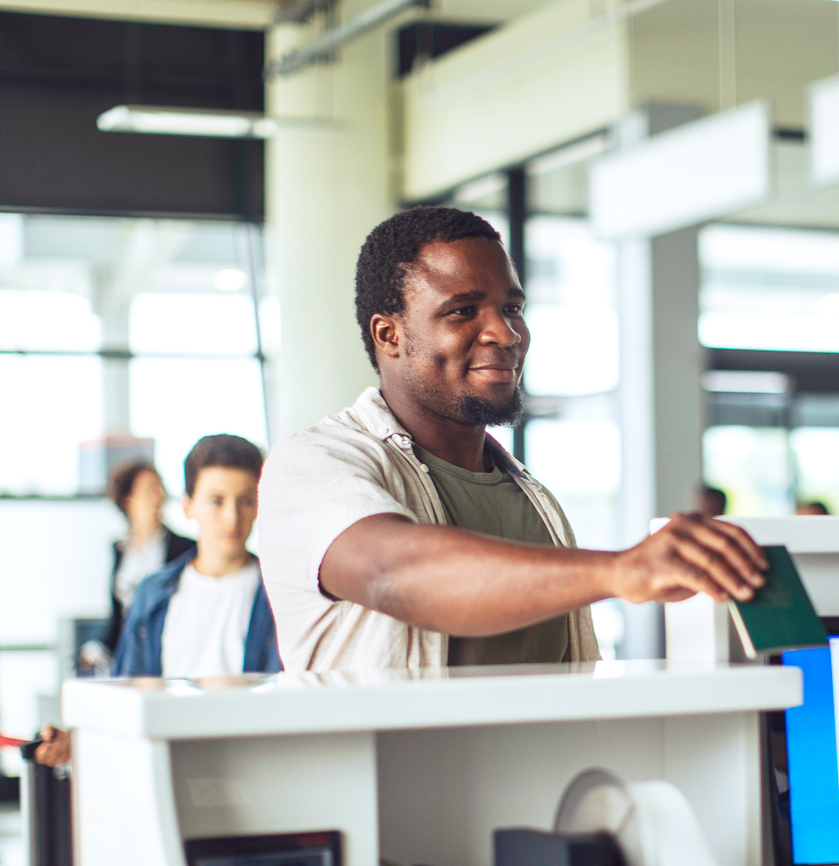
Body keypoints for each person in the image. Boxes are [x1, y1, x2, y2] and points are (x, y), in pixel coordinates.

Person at [257, 207, 765, 673]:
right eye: (462, 312)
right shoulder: (313, 465)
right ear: (388, 335)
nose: (505, 333)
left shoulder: (531, 498)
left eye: (512, 308)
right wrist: (620, 571)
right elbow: (393, 573)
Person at [35, 435, 280, 766]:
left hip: (250, 764)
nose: (232, 518)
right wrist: (76, 742)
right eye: (216, 500)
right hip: (165, 766)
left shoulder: (280, 592)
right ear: (188, 505)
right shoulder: (153, 594)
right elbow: (126, 690)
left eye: (246, 501)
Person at [91, 460, 194, 668]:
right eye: (149, 490)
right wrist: (96, 648)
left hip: (167, 653)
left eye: (160, 488)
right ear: (128, 500)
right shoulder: (120, 550)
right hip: (128, 655)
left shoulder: (184, 549)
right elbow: (119, 617)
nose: (159, 496)